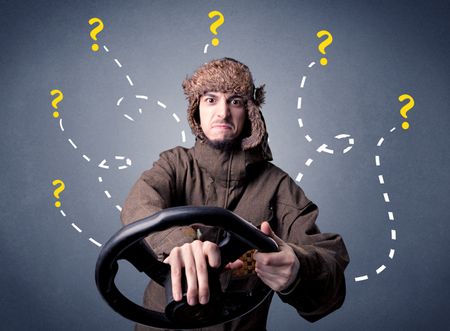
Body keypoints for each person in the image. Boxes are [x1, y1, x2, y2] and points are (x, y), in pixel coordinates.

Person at [121, 58, 349, 331]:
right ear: (196, 110)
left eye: (235, 101)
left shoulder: (278, 186)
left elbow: (329, 274)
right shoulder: (173, 165)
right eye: (210, 99)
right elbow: (139, 204)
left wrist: (299, 269)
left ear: (250, 112)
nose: (223, 113)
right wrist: (177, 243)